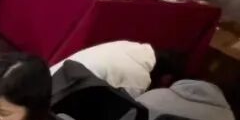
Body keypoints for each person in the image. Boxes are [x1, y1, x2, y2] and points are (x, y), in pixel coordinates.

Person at [50, 41, 182, 98]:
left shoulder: (132, 47)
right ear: (166, 78)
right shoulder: (138, 79)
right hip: (58, 97)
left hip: (54, 78)